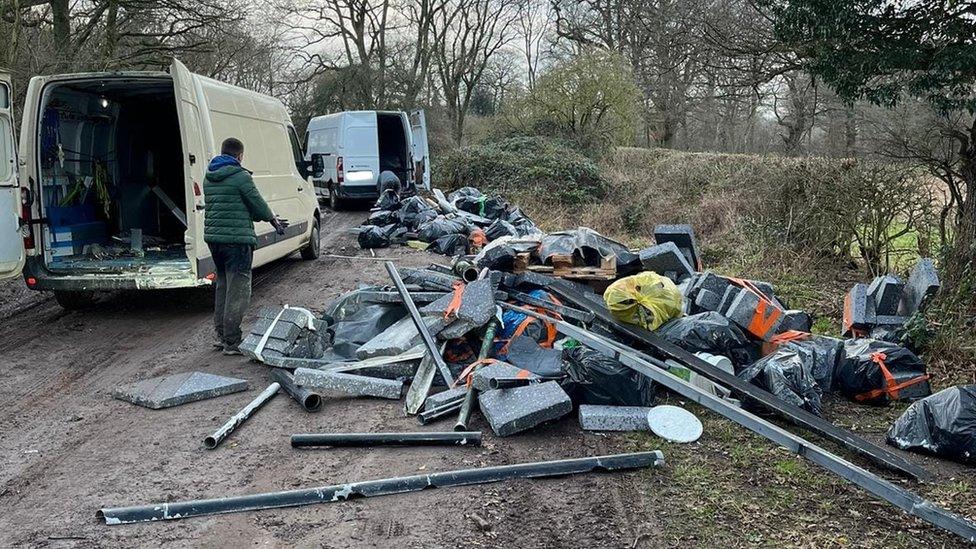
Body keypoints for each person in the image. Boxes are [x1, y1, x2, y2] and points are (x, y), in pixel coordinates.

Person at [203, 137, 287, 355]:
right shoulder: (240, 177)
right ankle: (232, 341)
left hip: (215, 239)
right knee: (238, 290)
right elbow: (256, 204)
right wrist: (273, 220)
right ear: (239, 156)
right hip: (237, 241)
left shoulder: (209, 176)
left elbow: (233, 205)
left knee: (223, 285)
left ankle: (221, 335)